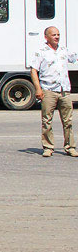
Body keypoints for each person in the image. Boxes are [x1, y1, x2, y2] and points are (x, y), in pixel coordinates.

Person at [30, 26, 78, 157]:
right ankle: (48, 147)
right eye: (54, 35)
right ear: (46, 37)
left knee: (68, 121)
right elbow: (33, 70)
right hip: (48, 90)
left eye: (58, 34)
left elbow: (74, 58)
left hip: (64, 90)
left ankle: (70, 147)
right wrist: (38, 89)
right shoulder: (41, 52)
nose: (57, 37)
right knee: (47, 121)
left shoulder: (63, 50)